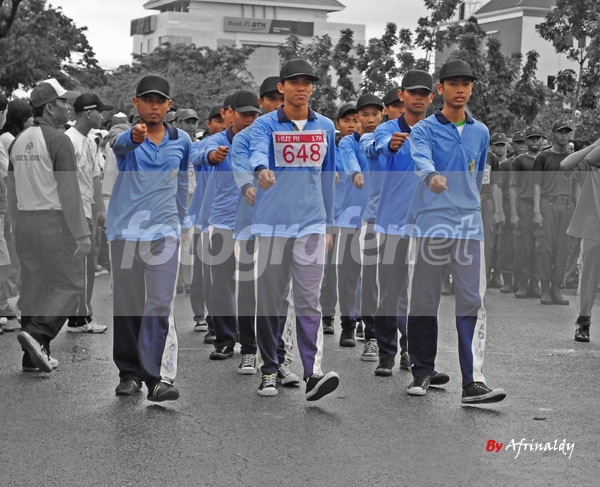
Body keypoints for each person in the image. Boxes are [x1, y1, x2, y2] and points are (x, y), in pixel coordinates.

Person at [404, 59, 506, 404]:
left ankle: (473, 382)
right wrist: (431, 176)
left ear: (471, 88)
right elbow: (420, 159)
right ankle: (421, 371)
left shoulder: (481, 132)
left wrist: (468, 204)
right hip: (431, 225)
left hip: (468, 227)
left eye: (466, 83)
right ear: (441, 89)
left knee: (472, 301)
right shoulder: (424, 129)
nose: (460, 89)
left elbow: (476, 179)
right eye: (453, 83)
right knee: (424, 300)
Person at [249, 58, 339, 400]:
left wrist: (329, 225)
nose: (301, 87)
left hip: (312, 224)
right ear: (282, 87)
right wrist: (261, 168)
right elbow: (257, 150)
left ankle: (313, 373)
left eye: (307, 82)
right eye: (294, 82)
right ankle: (269, 370)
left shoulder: (326, 126)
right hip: (272, 225)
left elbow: (328, 178)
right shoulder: (265, 125)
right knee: (271, 300)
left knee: (309, 300)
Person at [107, 75, 192, 402]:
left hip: (164, 234)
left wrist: (182, 221)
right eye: (147, 100)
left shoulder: (182, 140)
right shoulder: (127, 137)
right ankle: (129, 374)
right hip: (126, 233)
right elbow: (119, 145)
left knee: (158, 303)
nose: (153, 106)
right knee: (128, 305)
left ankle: (156, 379)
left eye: (160, 101)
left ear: (169, 106)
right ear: (136, 103)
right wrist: (134, 135)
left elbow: (182, 183)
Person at [8, 79, 91, 372]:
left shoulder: (18, 140)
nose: (68, 107)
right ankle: (38, 334)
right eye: (63, 102)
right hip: (53, 223)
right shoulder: (58, 140)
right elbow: (69, 192)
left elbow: (11, 189)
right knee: (70, 284)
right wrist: (81, 233)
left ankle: (31, 357)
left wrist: (15, 226)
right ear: (49, 108)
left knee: (34, 288)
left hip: (24, 222)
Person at [373, 70, 437, 377]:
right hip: (392, 225)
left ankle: (412, 351)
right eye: (413, 92)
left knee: (421, 295)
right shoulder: (387, 129)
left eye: (424, 93)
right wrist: (391, 146)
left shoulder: (437, 129)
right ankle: (386, 352)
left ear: (431, 97)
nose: (419, 98)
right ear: (402, 95)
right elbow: (375, 146)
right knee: (390, 292)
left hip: (427, 225)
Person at [200, 90, 261, 361]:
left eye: (254, 115)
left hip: (252, 222)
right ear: (229, 114)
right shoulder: (216, 141)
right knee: (221, 284)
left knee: (250, 285)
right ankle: (224, 340)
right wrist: (212, 156)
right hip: (222, 222)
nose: (249, 120)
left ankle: (252, 339)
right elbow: (198, 153)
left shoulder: (260, 140)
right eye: (244, 114)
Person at [336, 94, 381, 351]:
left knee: (372, 277)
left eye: (375, 114)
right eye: (364, 115)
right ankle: (348, 324)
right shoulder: (348, 142)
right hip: (350, 216)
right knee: (349, 274)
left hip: (376, 218)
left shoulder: (384, 141)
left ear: (381, 115)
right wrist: (355, 173)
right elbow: (350, 160)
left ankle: (371, 330)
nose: (369, 119)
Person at [65, 93, 112, 334]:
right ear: (88, 112)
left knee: (88, 264)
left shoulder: (90, 142)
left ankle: (79, 316)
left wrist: (100, 210)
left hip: (88, 210)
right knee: (81, 266)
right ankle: (80, 318)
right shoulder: (69, 141)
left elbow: (94, 178)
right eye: (100, 111)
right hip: (75, 211)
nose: (102, 116)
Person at [320, 103, 358, 335]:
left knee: (352, 271)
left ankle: (354, 318)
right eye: (346, 121)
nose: (352, 125)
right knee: (327, 270)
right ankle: (327, 315)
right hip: (332, 218)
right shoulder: (330, 152)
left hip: (355, 220)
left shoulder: (365, 151)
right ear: (337, 125)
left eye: (355, 120)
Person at [560, 137, 600, 342]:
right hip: (594, 228)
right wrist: (595, 144)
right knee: (588, 279)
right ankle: (583, 322)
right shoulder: (592, 164)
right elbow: (565, 164)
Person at [532, 119, 575, 305]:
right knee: (545, 247)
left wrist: (577, 209)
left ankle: (556, 288)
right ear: (553, 134)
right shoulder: (543, 157)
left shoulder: (574, 158)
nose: (564, 135)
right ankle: (545, 288)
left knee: (563, 249)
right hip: (547, 203)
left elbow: (577, 184)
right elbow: (536, 184)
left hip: (567, 205)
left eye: (567, 132)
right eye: (560, 132)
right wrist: (536, 211)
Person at [510, 125, 544, 299]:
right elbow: (513, 186)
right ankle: (522, 283)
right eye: (531, 138)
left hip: (543, 205)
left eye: (537, 138)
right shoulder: (519, 161)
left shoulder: (546, 159)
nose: (535, 141)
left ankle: (535, 283)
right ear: (526, 141)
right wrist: (514, 213)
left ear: (543, 140)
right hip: (524, 205)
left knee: (540, 247)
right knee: (523, 247)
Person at [497, 129, 528, 294]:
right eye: (518, 143)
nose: (522, 146)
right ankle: (507, 279)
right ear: (512, 145)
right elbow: (499, 188)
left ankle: (521, 280)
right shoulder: (505, 165)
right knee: (507, 244)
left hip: (526, 205)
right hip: (508, 204)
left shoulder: (534, 162)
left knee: (524, 245)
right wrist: (500, 210)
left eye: (524, 142)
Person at [173, 108, 200, 295]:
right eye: (187, 122)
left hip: (196, 197)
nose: (191, 126)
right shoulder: (173, 145)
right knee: (180, 239)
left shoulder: (200, 145)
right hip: (177, 197)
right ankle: (178, 280)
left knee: (191, 241)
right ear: (177, 123)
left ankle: (188, 281)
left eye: (193, 122)